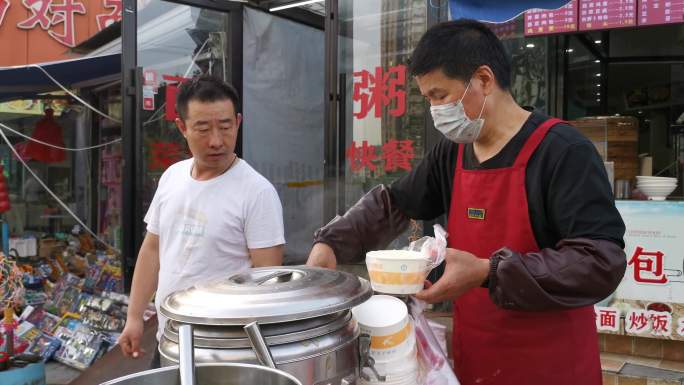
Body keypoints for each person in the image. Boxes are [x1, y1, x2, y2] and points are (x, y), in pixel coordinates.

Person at [307, 20, 626, 385]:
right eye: (427, 99)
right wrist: (331, 242)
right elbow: (395, 203)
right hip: (476, 359)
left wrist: (489, 271)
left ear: (484, 80)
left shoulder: (562, 151)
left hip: (551, 364)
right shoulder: (452, 155)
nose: (435, 110)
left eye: (440, 96)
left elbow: (601, 261)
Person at [118, 76, 286, 366]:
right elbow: (153, 250)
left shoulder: (257, 192)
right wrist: (134, 317)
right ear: (182, 127)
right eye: (203, 128)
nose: (217, 141)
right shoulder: (172, 177)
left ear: (238, 122)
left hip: (225, 353)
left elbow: (267, 282)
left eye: (225, 126)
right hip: (169, 341)